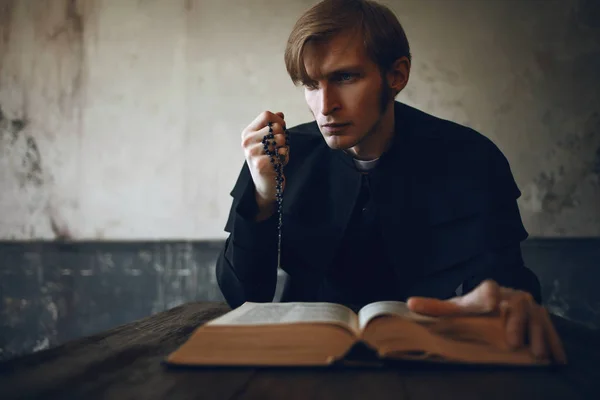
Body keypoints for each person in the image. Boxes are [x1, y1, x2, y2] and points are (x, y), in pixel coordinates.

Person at [215, 0, 566, 363]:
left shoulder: (471, 156)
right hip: (304, 360)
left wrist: (510, 300)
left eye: (345, 77)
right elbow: (241, 295)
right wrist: (262, 197)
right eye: (311, 84)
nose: (325, 106)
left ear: (397, 75)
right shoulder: (280, 156)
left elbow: (502, 285)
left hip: (435, 360)